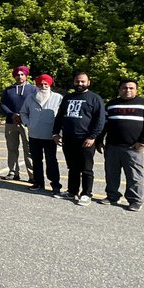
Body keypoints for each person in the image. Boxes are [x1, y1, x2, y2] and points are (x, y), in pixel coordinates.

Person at [103, 78, 144, 212]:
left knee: (134, 176)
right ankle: (112, 196)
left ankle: (135, 200)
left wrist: (143, 141)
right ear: (119, 90)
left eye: (131, 88)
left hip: (132, 148)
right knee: (111, 174)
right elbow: (104, 124)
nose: (127, 90)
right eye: (124, 88)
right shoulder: (111, 104)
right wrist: (100, 140)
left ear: (136, 90)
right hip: (112, 146)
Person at [54, 71, 106, 206]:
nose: (80, 83)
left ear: (88, 82)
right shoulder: (67, 98)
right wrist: (55, 133)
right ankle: (72, 191)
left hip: (86, 139)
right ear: (74, 82)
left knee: (86, 168)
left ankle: (86, 194)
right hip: (69, 139)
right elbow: (60, 116)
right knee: (72, 167)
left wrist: (93, 137)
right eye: (77, 81)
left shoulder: (95, 98)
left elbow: (100, 120)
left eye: (83, 81)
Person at [22, 74, 63, 195]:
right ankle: (38, 183)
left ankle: (55, 184)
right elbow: (23, 112)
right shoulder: (31, 97)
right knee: (36, 160)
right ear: (37, 85)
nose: (43, 86)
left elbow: (62, 115)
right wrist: (27, 123)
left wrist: (59, 132)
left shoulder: (58, 98)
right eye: (40, 84)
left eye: (46, 84)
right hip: (34, 134)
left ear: (50, 84)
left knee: (51, 160)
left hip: (50, 135)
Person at [0, 65, 36, 183]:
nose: (20, 77)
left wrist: (24, 116)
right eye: (17, 75)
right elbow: (2, 104)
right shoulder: (9, 90)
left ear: (26, 75)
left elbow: (36, 105)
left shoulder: (33, 89)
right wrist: (12, 114)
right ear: (14, 76)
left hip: (27, 123)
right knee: (12, 148)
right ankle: (13, 172)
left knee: (29, 149)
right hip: (11, 122)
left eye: (22, 74)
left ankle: (32, 175)